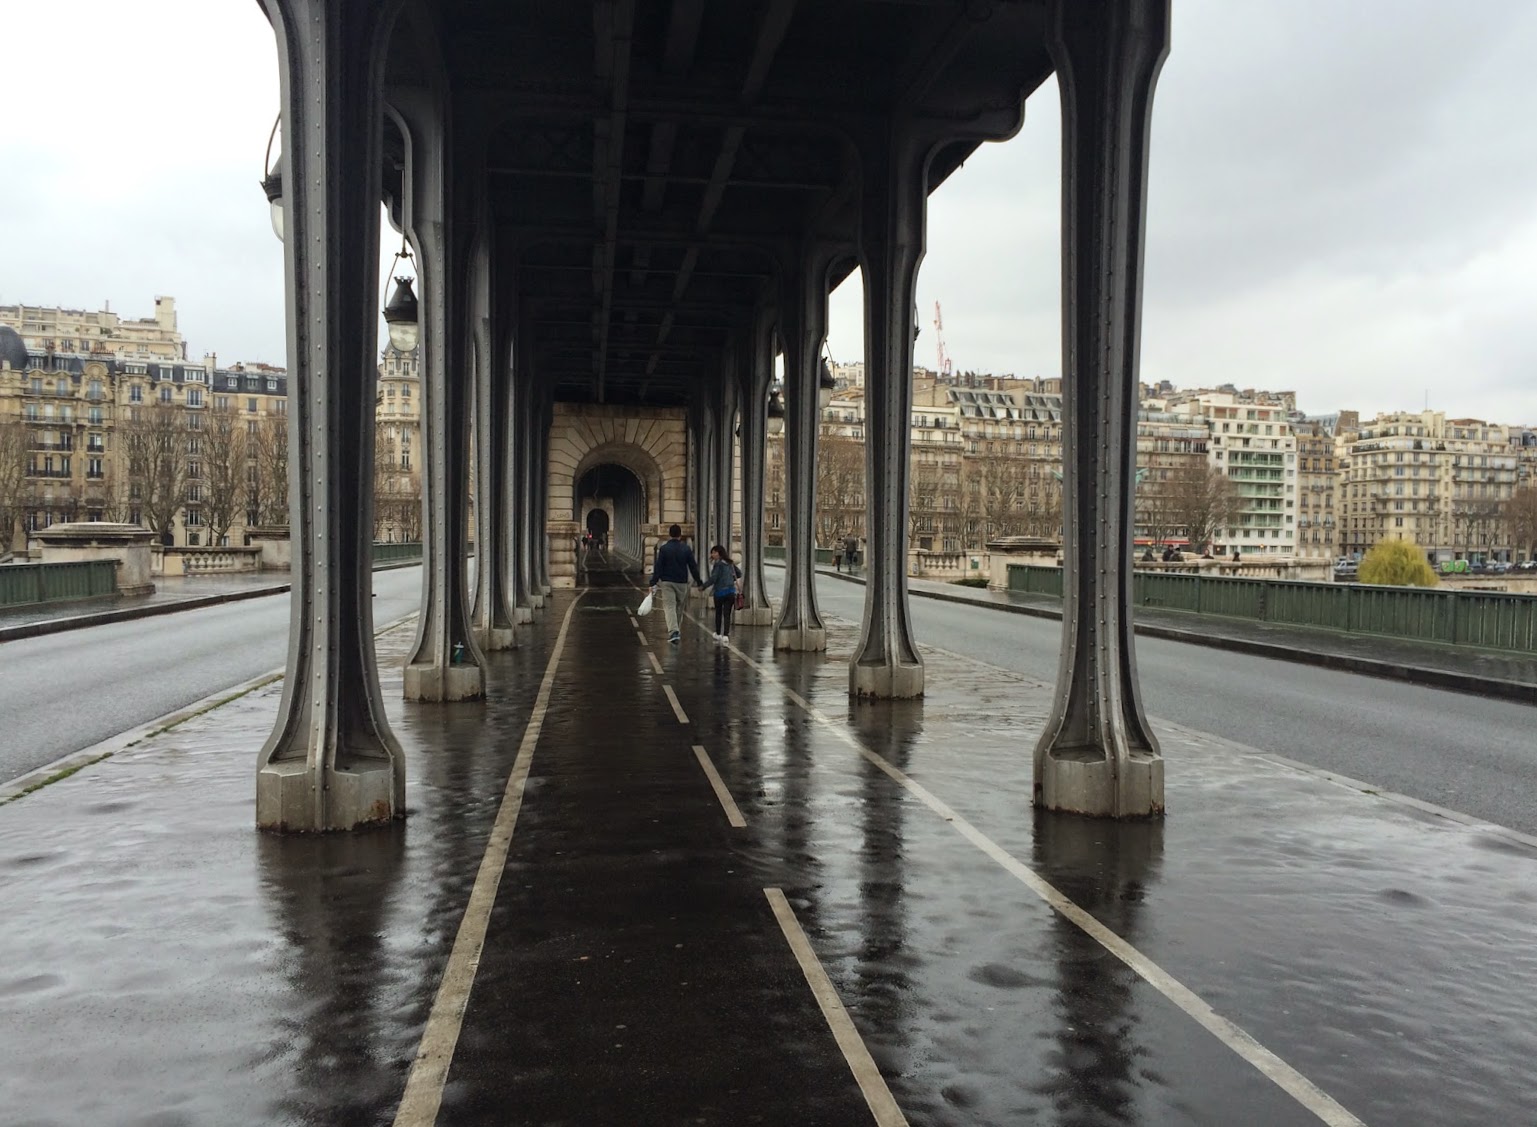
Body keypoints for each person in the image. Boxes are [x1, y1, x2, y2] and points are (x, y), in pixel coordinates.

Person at [648, 524, 702, 643]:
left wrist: (653, 582)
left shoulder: (664, 549)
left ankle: (674, 631)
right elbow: (693, 567)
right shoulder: (686, 549)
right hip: (682, 582)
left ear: (670, 534)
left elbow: (658, 567)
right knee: (679, 607)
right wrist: (699, 581)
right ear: (680, 535)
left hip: (667, 582)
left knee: (669, 607)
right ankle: (675, 631)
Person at [699, 544, 741, 643]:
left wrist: (703, 586)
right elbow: (739, 573)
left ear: (719, 553)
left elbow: (714, 578)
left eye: (714, 552)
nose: (712, 555)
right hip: (730, 592)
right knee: (727, 614)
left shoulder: (718, 564)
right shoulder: (730, 563)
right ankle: (726, 635)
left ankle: (718, 633)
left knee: (718, 613)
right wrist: (729, 578)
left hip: (719, 592)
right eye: (712, 553)